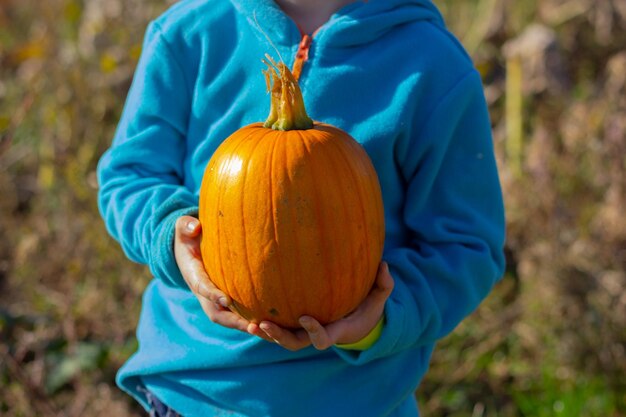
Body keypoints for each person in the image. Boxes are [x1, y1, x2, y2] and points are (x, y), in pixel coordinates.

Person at [97, 0, 506, 415]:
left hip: (356, 400)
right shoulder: (189, 33)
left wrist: (380, 319)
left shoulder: (431, 65)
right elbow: (130, 176)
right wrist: (173, 237)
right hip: (195, 387)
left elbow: (465, 244)